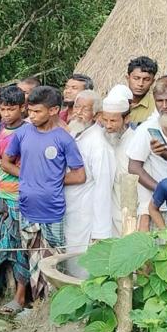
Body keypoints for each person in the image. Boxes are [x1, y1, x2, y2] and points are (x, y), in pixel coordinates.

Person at [1, 86, 85, 303]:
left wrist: (51, 178)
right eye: (30, 111)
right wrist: (27, 175)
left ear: (54, 110)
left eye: (37, 112)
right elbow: (6, 162)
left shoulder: (64, 139)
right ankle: (38, 304)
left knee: (54, 258)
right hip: (27, 207)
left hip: (53, 210)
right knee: (32, 256)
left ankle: (55, 304)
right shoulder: (23, 133)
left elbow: (79, 175)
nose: (31, 116)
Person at [0, 86, 30, 311]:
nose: (6, 113)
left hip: (21, 197)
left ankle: (19, 298)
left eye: (11, 109)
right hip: (0, 194)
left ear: (23, 108)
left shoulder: (30, 131)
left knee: (21, 247)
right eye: (3, 109)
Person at [127, 77, 167, 231]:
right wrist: (161, 190)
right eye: (159, 101)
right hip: (160, 209)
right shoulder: (147, 129)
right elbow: (134, 167)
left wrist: (165, 153)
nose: (164, 106)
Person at [63, 90, 115, 277]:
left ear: (96, 114)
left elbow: (103, 186)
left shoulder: (99, 142)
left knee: (83, 264)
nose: (79, 112)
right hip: (71, 209)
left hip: (87, 214)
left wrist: (100, 230)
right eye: (77, 106)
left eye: (86, 109)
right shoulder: (74, 133)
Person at [99, 95, 136, 237]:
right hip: (108, 212)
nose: (108, 126)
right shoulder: (103, 138)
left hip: (128, 212)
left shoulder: (134, 143)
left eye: (113, 121)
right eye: (105, 120)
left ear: (126, 119)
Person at [127, 56, 159, 124]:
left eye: (146, 80)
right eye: (136, 78)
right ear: (128, 78)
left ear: (152, 82)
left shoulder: (156, 106)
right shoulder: (115, 100)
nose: (140, 84)